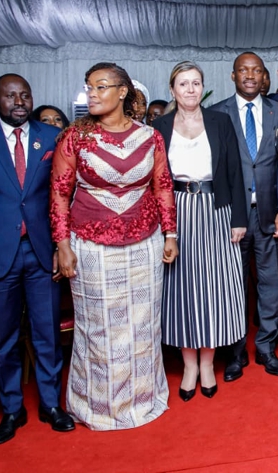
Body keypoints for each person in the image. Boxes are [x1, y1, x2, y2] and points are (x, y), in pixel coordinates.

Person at [51, 62, 178, 430]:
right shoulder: (75, 137)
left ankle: (142, 400)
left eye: (101, 86)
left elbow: (163, 186)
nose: (92, 93)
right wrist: (62, 244)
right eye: (88, 86)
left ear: (123, 92)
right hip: (92, 247)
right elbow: (59, 193)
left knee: (142, 326)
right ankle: (97, 407)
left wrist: (170, 234)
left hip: (144, 246)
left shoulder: (149, 137)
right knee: (98, 329)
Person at [0, 74, 75, 444]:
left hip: (42, 252)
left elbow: (63, 197)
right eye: (10, 96)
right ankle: (12, 409)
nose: (19, 101)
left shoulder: (51, 136)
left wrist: (61, 245)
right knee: (4, 339)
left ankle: (50, 405)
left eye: (25, 94)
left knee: (47, 335)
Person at [153, 61, 247, 401]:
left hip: (215, 210)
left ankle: (207, 363)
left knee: (214, 287)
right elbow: (154, 179)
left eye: (196, 83)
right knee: (181, 289)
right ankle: (188, 364)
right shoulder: (159, 126)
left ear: (202, 88)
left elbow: (236, 172)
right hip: (176, 213)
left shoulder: (220, 122)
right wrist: (163, 227)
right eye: (183, 83)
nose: (190, 89)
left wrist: (239, 219)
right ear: (172, 89)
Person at [210, 52, 278, 380]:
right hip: (232, 218)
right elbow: (215, 170)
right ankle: (235, 353)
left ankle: (266, 347)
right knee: (234, 286)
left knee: (271, 283)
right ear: (233, 76)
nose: (249, 75)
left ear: (264, 78)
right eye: (243, 70)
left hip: (269, 216)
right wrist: (225, 215)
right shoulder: (217, 114)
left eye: (256, 70)